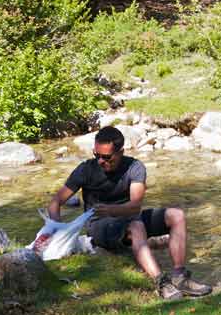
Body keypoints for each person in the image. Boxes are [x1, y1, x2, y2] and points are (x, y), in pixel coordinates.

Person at [47, 126, 211, 300]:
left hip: (129, 218)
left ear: (121, 152)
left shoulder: (135, 167)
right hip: (99, 225)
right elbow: (55, 203)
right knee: (136, 226)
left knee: (176, 215)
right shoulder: (86, 170)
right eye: (97, 155)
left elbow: (135, 206)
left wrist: (111, 209)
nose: (101, 161)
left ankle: (179, 276)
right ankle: (160, 282)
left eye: (107, 157)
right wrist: (59, 230)